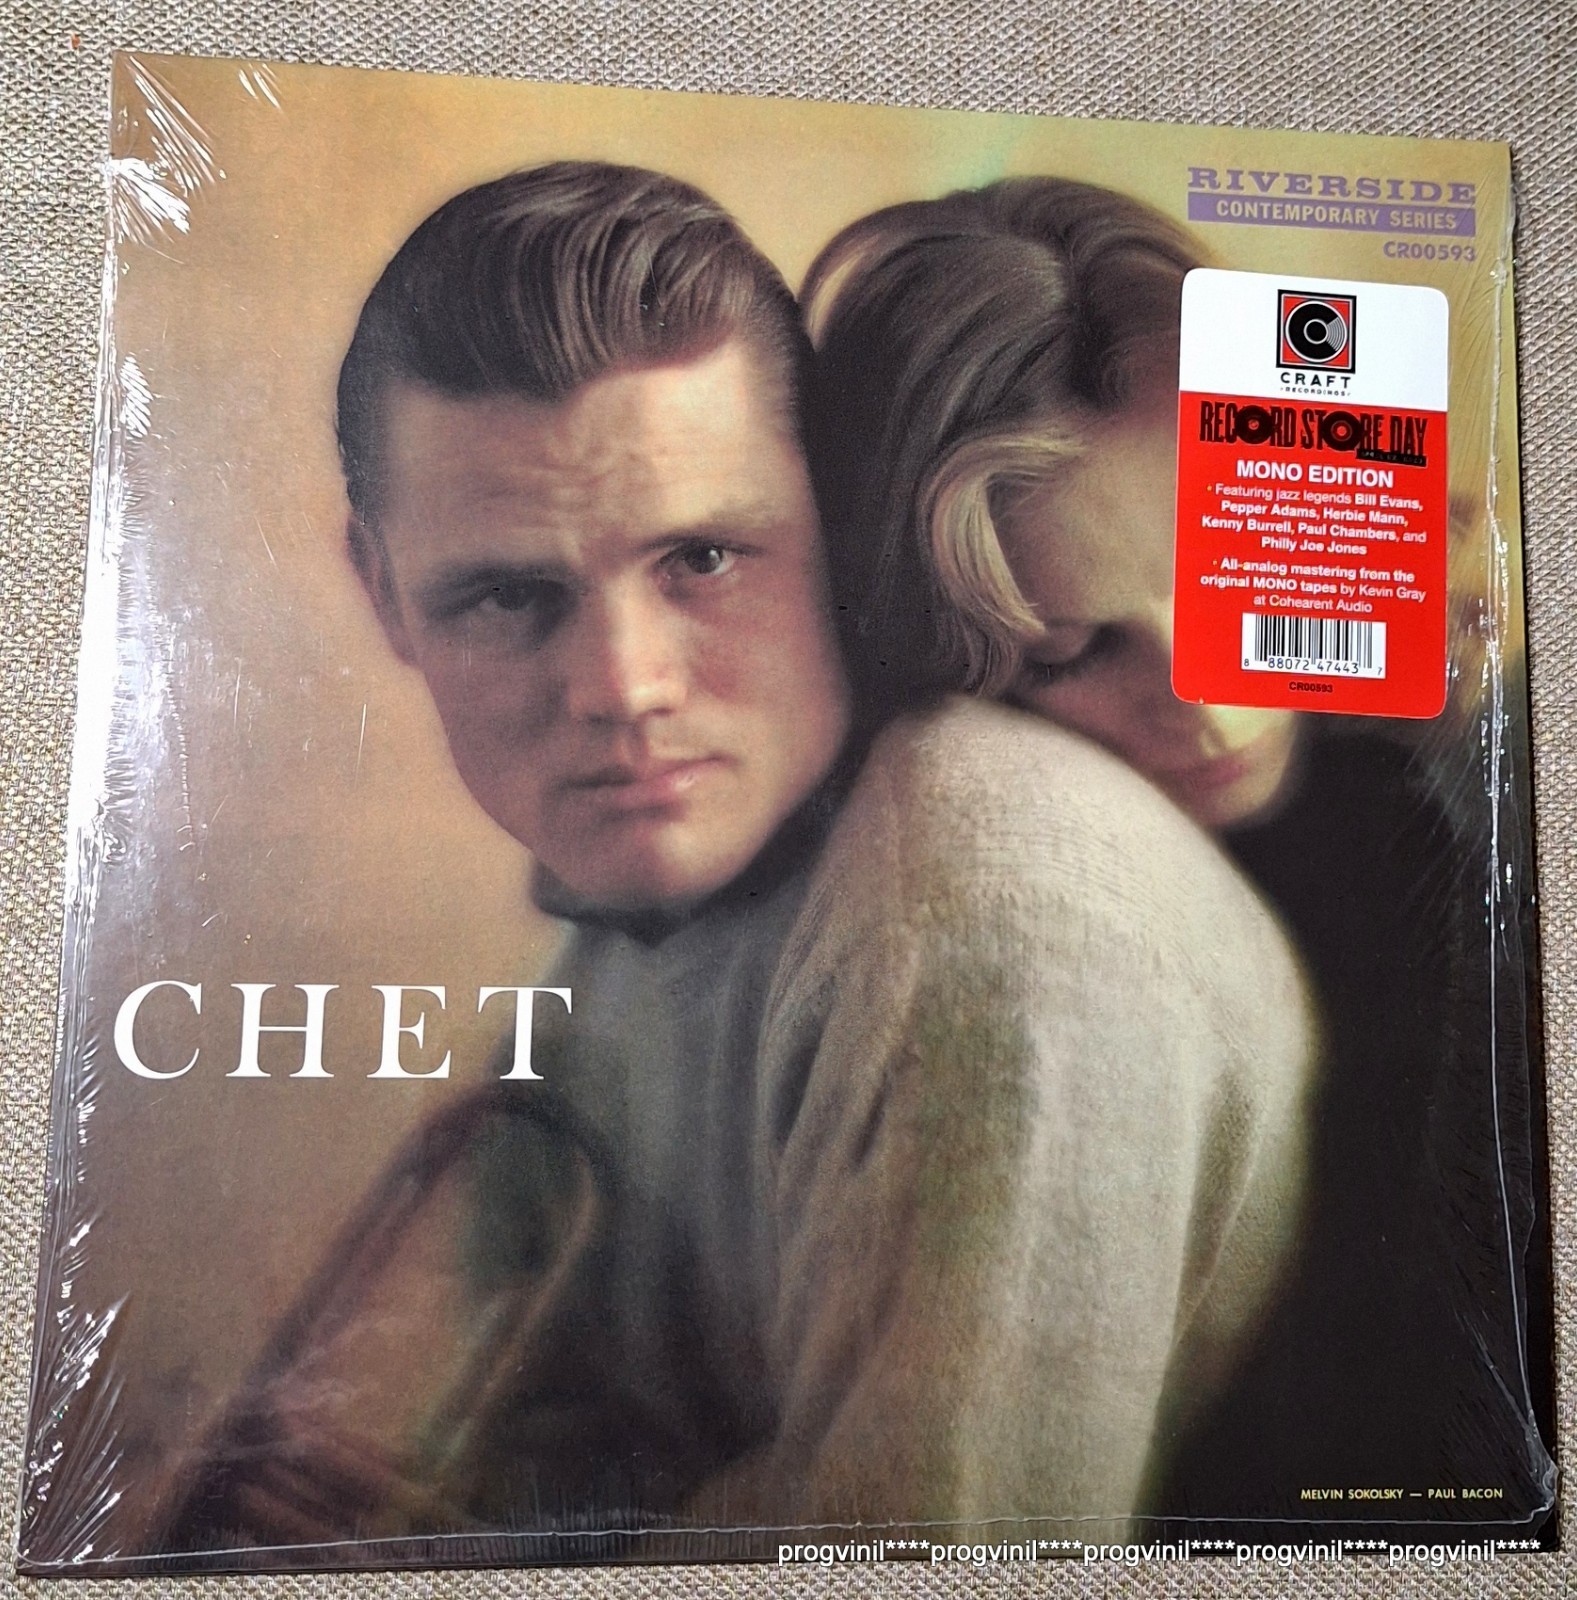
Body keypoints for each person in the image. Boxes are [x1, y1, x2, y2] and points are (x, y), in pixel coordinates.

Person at [158, 163, 1312, 1562]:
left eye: (704, 559)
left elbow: (931, 1572)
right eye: (508, 594)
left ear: (831, 528)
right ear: (383, 594)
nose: (623, 688)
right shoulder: (643, 917)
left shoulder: (1003, 908)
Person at [803, 177, 1549, 1531]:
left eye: (1223, 570)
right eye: (1074, 649)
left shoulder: (1495, 797)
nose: (1201, 704)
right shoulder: (967, 835)